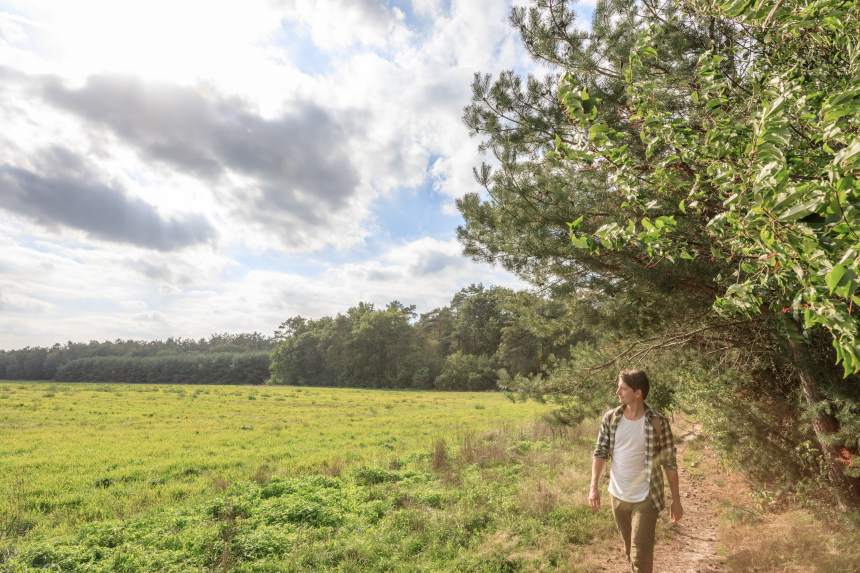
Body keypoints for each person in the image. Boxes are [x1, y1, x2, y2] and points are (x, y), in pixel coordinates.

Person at [589, 370, 682, 573]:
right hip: (618, 496)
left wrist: (676, 499)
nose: (617, 392)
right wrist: (593, 487)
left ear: (637, 392)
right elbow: (600, 452)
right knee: (630, 551)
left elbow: (670, 464)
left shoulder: (658, 422)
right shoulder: (611, 418)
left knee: (640, 555)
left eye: (623, 388)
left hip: (646, 497)